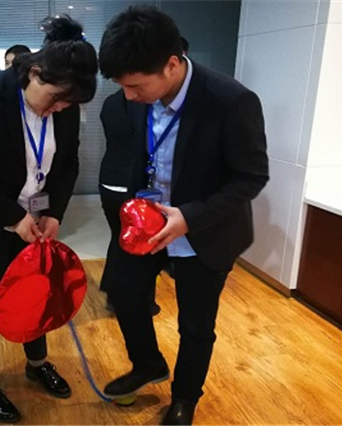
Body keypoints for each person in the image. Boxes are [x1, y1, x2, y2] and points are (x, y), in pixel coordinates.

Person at [98, 6, 269, 425]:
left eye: (135, 86)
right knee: (123, 292)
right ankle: (148, 364)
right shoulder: (139, 98)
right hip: (148, 223)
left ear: (171, 65)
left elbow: (251, 177)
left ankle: (185, 398)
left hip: (204, 230)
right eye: (123, 87)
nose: (129, 97)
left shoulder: (231, 101)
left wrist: (189, 217)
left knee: (195, 325)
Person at [0, 15, 97, 423]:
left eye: (68, 104)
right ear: (35, 72)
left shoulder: (62, 104)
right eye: (56, 99)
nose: (60, 109)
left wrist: (54, 213)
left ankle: (36, 362)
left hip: (35, 219)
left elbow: (67, 164)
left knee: (36, 294)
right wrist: (14, 216)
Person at [98, 89, 161, 316]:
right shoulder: (149, 103)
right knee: (142, 244)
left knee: (118, 237)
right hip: (135, 183)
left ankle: (113, 292)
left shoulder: (110, 102)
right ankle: (137, 301)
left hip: (109, 180)